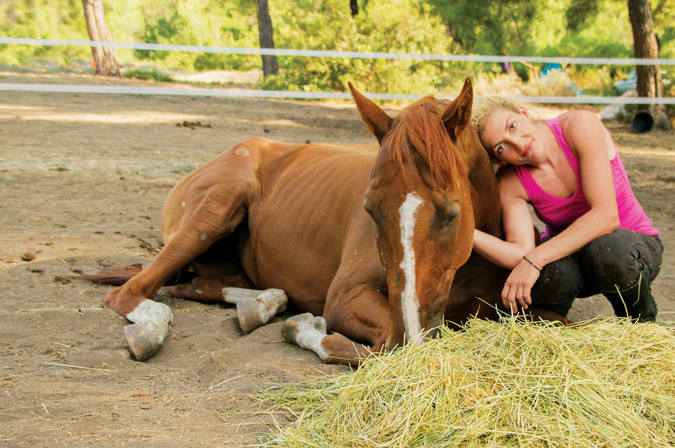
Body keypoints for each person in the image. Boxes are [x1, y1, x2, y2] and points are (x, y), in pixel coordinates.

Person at [470, 97, 663, 321]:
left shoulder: (580, 126)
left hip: (631, 251)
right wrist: (467, 233)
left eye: (512, 125)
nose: (518, 143)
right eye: (501, 147)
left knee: (607, 248)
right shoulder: (510, 182)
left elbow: (606, 217)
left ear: (524, 113)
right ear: (498, 160)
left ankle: (642, 323)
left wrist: (534, 259)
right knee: (550, 274)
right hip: (575, 259)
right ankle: (551, 338)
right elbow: (519, 252)